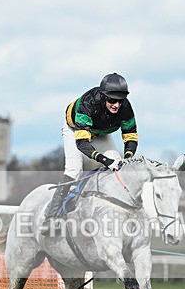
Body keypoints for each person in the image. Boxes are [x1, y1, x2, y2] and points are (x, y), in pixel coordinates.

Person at [41, 73, 139, 229]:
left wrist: (126, 158)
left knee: (119, 167)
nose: (116, 105)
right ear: (102, 95)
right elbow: (82, 143)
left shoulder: (125, 107)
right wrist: (105, 161)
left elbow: (131, 136)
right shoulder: (88, 103)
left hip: (100, 132)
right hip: (75, 130)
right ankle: (50, 217)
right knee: (74, 170)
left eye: (120, 101)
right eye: (112, 100)